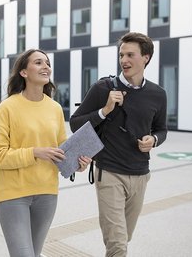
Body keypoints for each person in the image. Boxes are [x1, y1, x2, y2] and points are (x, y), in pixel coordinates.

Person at [0, 48, 92, 257]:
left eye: (47, 63)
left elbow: (61, 151)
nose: (46, 67)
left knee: (34, 254)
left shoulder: (54, 108)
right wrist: (34, 152)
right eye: (38, 62)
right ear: (24, 72)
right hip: (13, 193)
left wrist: (77, 163)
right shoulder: (8, 107)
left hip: (46, 193)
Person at [70, 32, 168, 256]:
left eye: (130, 54)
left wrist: (154, 140)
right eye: (121, 54)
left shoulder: (158, 94)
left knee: (124, 237)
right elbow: (75, 123)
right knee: (117, 244)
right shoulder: (103, 88)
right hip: (109, 173)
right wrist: (104, 111)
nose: (124, 60)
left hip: (141, 174)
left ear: (146, 57)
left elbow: (162, 129)